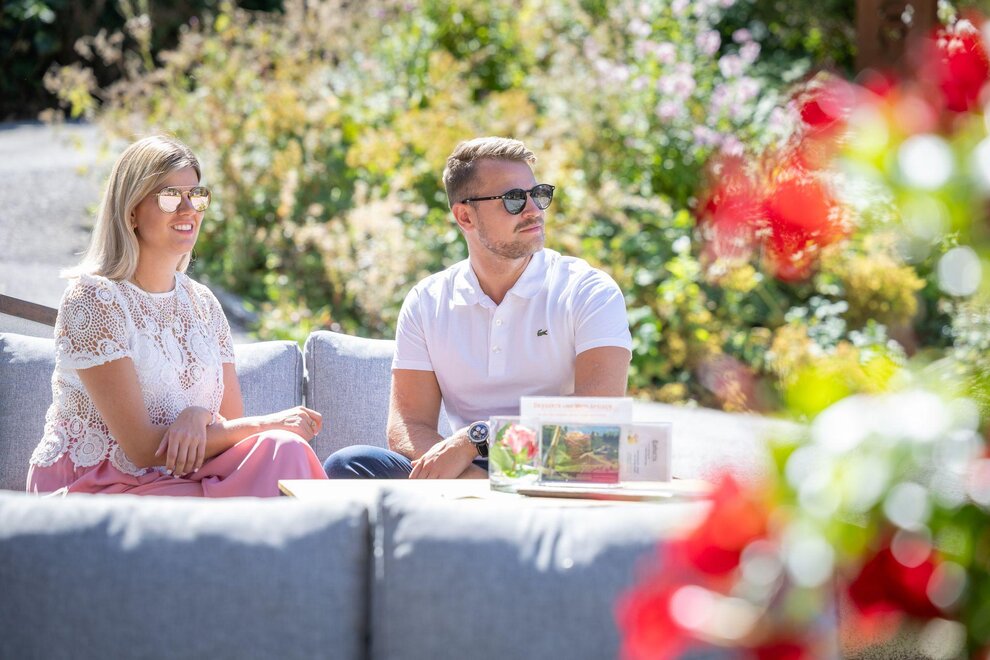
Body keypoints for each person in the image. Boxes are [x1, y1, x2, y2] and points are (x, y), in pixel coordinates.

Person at [26, 135, 328, 496]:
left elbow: (231, 434)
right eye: (169, 196)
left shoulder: (203, 304)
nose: (188, 209)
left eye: (196, 195)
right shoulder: (95, 299)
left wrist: (200, 415)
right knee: (275, 447)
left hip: (178, 477)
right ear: (131, 211)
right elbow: (141, 449)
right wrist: (268, 423)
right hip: (100, 485)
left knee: (285, 448)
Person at [324, 136, 632, 479]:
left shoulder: (588, 290)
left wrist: (478, 438)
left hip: (556, 464)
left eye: (539, 194)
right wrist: (475, 476)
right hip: (468, 471)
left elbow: (600, 413)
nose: (534, 209)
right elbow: (408, 426)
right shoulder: (427, 302)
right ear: (465, 217)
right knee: (349, 463)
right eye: (514, 199)